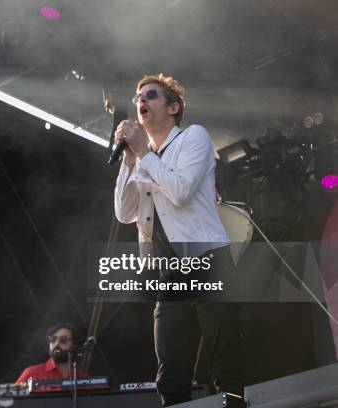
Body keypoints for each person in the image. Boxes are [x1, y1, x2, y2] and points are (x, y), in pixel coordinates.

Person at [113, 73, 244, 406]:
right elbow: (124, 212)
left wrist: (144, 153)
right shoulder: (143, 158)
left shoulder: (193, 137)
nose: (140, 101)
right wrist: (129, 161)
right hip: (167, 274)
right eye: (138, 97)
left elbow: (181, 191)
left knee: (224, 359)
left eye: (151, 95)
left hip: (207, 262)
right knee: (170, 373)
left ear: (173, 107)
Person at [15, 323, 89, 384]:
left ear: (74, 345)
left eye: (63, 340)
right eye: (53, 339)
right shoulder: (32, 373)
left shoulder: (83, 378)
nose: (56, 344)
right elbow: (13, 400)